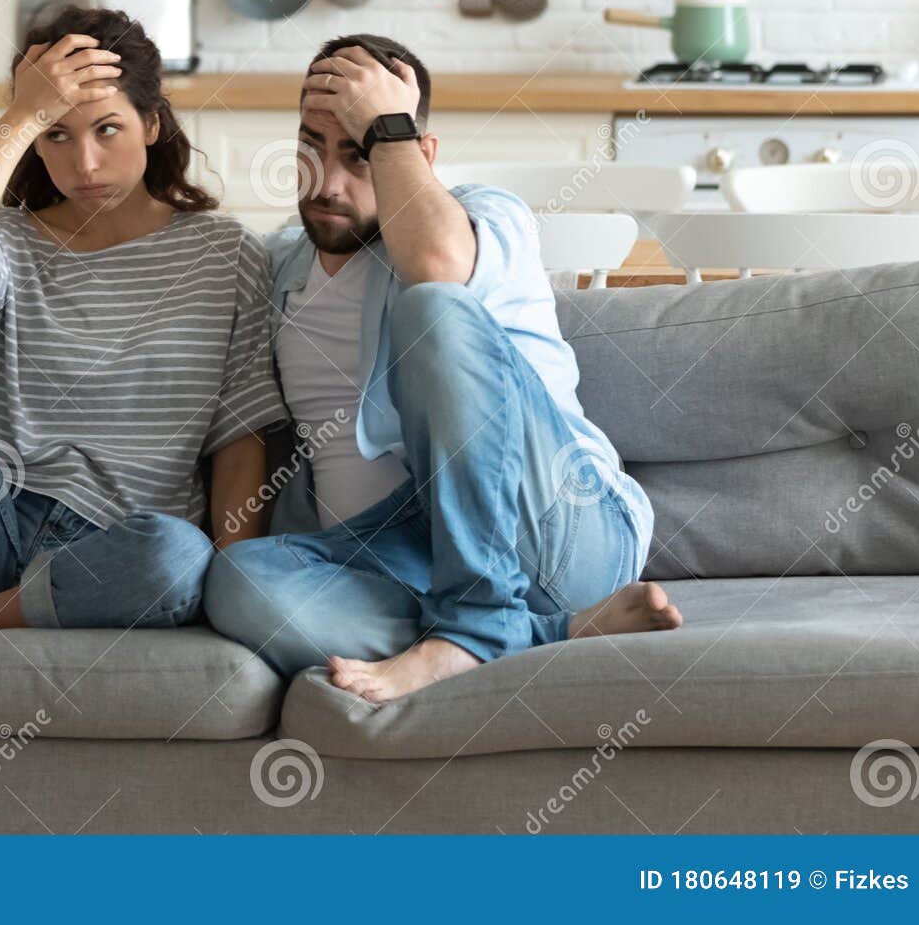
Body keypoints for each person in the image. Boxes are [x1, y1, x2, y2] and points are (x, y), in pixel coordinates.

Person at [204, 34, 682, 705]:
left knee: (435, 310)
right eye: (312, 146)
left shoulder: (485, 219)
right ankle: (541, 630)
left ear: (417, 153)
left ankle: (477, 625)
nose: (329, 182)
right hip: (407, 556)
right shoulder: (277, 269)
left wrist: (387, 125)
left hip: (558, 524)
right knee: (239, 581)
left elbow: (435, 267)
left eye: (359, 153)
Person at [0, 7, 286, 663]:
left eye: (109, 129)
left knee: (181, 558)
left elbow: (241, 436)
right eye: (57, 135)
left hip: (115, 553)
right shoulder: (3, 238)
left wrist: (241, 593)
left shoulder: (226, 254)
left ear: (152, 124)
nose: (84, 162)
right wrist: (20, 114)